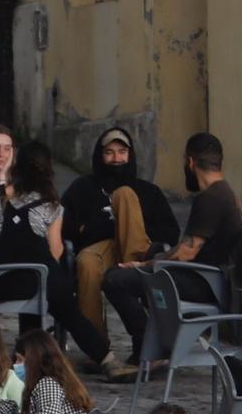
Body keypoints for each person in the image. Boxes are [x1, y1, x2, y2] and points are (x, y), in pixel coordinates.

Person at [103, 131, 242, 377]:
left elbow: (188, 252)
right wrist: (153, 260)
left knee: (115, 279)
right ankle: (157, 344)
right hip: (207, 278)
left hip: (203, 282)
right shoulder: (225, 192)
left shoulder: (211, 197)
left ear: (190, 162)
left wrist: (145, 265)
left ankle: (152, 350)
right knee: (151, 260)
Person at [0, 140, 128, 374]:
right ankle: (106, 358)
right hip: (40, 280)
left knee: (41, 290)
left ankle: (23, 354)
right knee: (65, 306)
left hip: (2, 281)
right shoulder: (51, 204)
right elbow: (56, 249)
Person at [60, 128, 179, 338]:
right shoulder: (82, 188)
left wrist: (133, 225)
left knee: (124, 194)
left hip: (140, 250)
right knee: (86, 264)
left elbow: (171, 232)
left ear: (130, 155)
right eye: (109, 152)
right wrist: (100, 228)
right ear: (100, 155)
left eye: (122, 151)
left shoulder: (148, 191)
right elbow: (64, 224)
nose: (116, 158)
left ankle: (134, 272)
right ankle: (96, 345)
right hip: (100, 248)